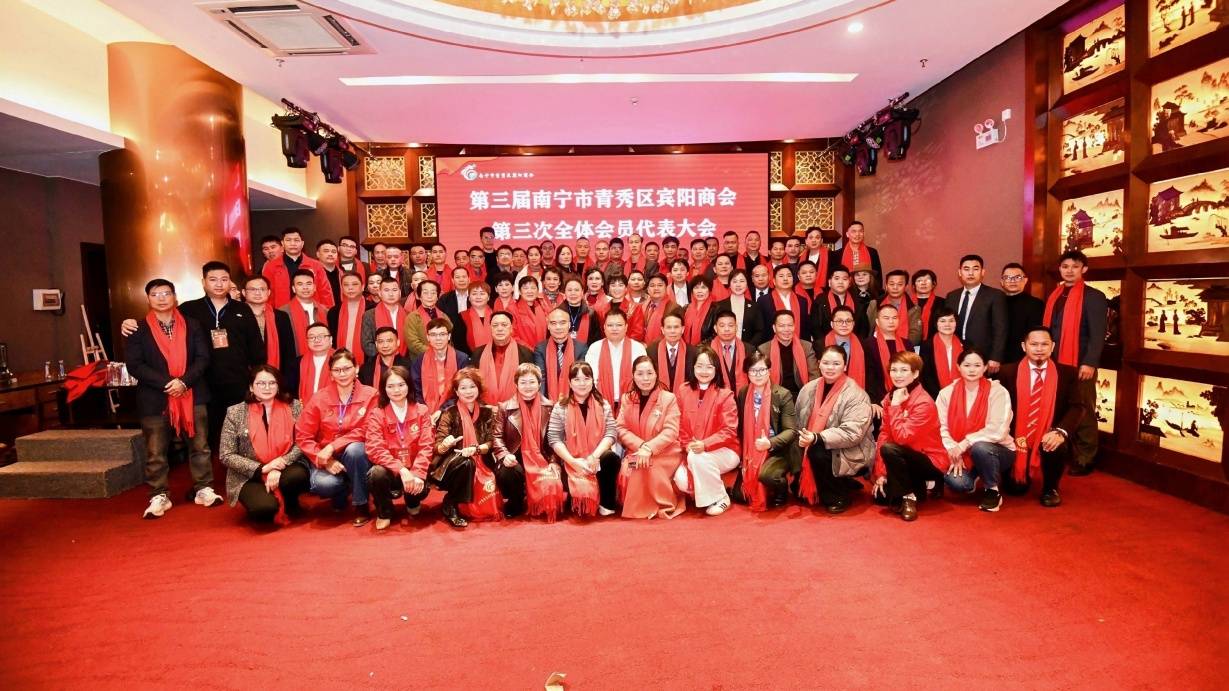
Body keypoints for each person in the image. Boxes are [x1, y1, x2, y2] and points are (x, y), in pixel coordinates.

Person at [122, 261, 263, 449]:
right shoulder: (189, 309)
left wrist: (257, 378)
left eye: (224, 279)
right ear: (203, 282)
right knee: (208, 438)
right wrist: (129, 322)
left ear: (230, 282)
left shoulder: (242, 309)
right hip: (200, 382)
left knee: (241, 434)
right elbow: (162, 319)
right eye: (213, 279)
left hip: (237, 381)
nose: (219, 284)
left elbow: (256, 347)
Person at [125, 278, 221, 519]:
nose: (161, 298)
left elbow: (203, 358)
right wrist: (168, 384)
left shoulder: (193, 325)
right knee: (156, 451)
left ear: (175, 297)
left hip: (192, 393)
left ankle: (203, 488)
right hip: (155, 398)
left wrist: (184, 382)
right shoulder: (138, 329)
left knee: (200, 446)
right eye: (155, 294)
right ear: (148, 299)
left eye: (166, 293)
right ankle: (159, 494)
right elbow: (135, 365)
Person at [998, 327, 1086, 507]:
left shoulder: (1067, 373)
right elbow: (998, 408)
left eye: (1045, 344)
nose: (1039, 349)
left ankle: (1050, 488)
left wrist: (1060, 431)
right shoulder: (1007, 372)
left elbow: (1077, 407)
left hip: (1048, 433)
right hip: (1016, 437)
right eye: (1034, 344)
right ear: (1024, 346)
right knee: (1015, 490)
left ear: (1052, 347)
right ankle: (1017, 472)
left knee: (1056, 443)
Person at [1042, 250, 1108, 475]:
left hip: (1080, 364)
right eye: (1065, 266)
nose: (1069, 271)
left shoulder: (1094, 296)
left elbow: (1098, 334)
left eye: (1075, 266)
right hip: (1056, 362)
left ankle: (1086, 457)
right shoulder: (1055, 295)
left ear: (1084, 269)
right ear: (1060, 269)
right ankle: (1065, 452)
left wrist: (1090, 362)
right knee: (1061, 408)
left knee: (1083, 409)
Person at [295, 349, 377, 526]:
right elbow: (303, 435)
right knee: (323, 485)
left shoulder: (371, 395)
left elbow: (367, 429)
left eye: (347, 368)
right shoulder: (319, 398)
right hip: (325, 456)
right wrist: (326, 460)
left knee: (356, 450)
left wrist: (333, 446)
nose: (342, 374)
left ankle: (361, 504)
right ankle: (346, 487)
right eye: (337, 370)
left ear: (356, 369)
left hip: (356, 454)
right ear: (331, 373)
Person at [219, 365, 309, 523]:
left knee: (296, 476)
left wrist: (281, 463)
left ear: (278, 386)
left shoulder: (294, 406)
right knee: (264, 509)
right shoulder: (235, 412)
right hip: (249, 475)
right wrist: (262, 469)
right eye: (261, 383)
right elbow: (226, 455)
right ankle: (270, 502)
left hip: (286, 467)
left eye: (272, 383)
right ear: (251, 387)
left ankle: (290, 500)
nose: (267, 387)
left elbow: (303, 440)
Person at [795, 345, 875, 513]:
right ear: (819, 364)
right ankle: (840, 482)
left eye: (836, 364)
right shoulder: (808, 388)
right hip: (814, 442)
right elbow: (798, 422)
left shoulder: (856, 394)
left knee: (817, 452)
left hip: (852, 448)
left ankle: (837, 496)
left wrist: (817, 437)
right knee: (796, 485)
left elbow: (852, 433)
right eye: (826, 363)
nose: (830, 368)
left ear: (845, 366)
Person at [935, 347, 1016, 512]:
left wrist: (963, 444)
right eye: (967, 365)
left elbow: (998, 430)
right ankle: (978, 472)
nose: (972, 370)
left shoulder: (998, 391)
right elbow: (940, 427)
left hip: (997, 450)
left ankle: (992, 490)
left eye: (977, 365)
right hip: (959, 451)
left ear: (985, 367)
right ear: (958, 367)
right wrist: (953, 450)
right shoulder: (946, 393)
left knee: (980, 448)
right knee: (958, 484)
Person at [871, 352, 949, 521]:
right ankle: (918, 488)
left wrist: (895, 406)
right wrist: (881, 473)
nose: (898, 375)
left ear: (915, 374)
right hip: (903, 456)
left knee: (890, 449)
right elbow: (884, 434)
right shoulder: (890, 397)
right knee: (881, 498)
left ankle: (909, 497)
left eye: (904, 370)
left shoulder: (924, 402)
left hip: (929, 458)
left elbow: (902, 438)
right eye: (894, 370)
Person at [364, 365, 434, 530]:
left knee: (420, 484)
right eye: (390, 386)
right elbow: (374, 449)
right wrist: (401, 469)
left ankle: (412, 501)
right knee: (376, 474)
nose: (396, 390)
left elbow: (427, 445)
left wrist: (417, 473)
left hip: (415, 467)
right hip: (391, 470)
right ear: (384, 389)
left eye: (401, 385)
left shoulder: (422, 411)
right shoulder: (377, 414)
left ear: (409, 385)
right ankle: (385, 511)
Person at [672, 346, 740, 516]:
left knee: (697, 457)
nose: (704, 371)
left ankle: (721, 498)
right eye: (699, 366)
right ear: (692, 367)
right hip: (692, 450)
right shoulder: (683, 390)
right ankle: (714, 488)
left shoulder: (725, 395)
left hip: (725, 450)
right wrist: (687, 444)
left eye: (709, 367)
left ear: (716, 370)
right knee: (681, 480)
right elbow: (677, 423)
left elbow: (729, 430)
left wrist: (705, 444)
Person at [616, 356, 685, 519]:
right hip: (637, 451)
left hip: (665, 453)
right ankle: (644, 505)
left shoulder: (668, 398)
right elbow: (620, 428)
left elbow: (671, 431)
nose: (645, 378)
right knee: (633, 465)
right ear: (633, 376)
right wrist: (642, 447)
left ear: (656, 374)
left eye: (649, 373)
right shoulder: (627, 398)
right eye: (640, 374)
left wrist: (649, 448)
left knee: (649, 465)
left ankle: (662, 504)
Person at [547, 362, 620, 517]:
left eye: (586, 379)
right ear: (570, 383)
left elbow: (611, 433)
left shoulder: (603, 404)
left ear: (593, 381)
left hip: (596, 460)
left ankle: (606, 502)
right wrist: (573, 462)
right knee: (580, 509)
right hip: (570, 461)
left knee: (611, 458)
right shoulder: (560, 407)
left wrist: (594, 456)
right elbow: (554, 438)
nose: (582, 383)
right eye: (577, 379)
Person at [493, 364, 564, 522]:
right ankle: (516, 501)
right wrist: (504, 455)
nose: (528, 386)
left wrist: (554, 461)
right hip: (515, 457)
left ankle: (540, 500)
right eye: (523, 382)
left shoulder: (550, 407)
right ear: (516, 384)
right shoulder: (505, 408)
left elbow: (556, 438)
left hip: (542, 458)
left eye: (532, 382)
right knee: (508, 472)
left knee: (552, 485)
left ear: (539, 384)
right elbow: (497, 437)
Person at [430, 368, 496, 527]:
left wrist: (476, 449)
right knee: (467, 462)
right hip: (452, 464)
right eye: (463, 388)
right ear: (456, 391)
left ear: (479, 389)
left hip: (482, 459)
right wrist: (446, 444)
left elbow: (491, 442)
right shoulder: (449, 413)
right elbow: (437, 447)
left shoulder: (487, 412)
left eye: (472, 386)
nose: (468, 391)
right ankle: (451, 504)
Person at [735, 349, 797, 510]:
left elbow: (791, 431)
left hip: (777, 450)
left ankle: (781, 490)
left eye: (762, 370)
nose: (758, 374)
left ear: (769, 371)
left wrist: (769, 443)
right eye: (753, 370)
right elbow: (741, 427)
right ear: (747, 373)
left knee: (767, 476)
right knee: (739, 496)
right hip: (751, 450)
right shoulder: (743, 393)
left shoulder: (782, 395)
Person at [945, 254, 1008, 373]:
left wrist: (996, 357)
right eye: (966, 269)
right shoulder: (952, 296)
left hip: (984, 355)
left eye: (975, 269)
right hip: (955, 353)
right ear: (959, 272)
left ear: (983, 272)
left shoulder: (995, 295)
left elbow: (1000, 328)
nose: (970, 273)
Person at [583, 310, 647, 413]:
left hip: (632, 403)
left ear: (626, 327)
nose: (614, 329)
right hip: (600, 403)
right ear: (604, 327)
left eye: (619, 325)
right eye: (610, 325)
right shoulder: (595, 348)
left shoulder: (637, 348)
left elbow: (642, 378)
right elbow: (590, 378)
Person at [244, 275, 299, 394]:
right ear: (244, 292)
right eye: (253, 289)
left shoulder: (281, 317)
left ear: (268, 292)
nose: (257, 293)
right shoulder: (236, 316)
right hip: (245, 377)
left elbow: (289, 351)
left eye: (262, 289)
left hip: (276, 374)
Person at [472, 311, 535, 405]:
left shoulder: (525, 354)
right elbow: (472, 385)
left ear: (511, 328)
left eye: (504, 325)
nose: (499, 329)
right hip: (485, 408)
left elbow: (530, 386)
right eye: (495, 325)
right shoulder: (478, 354)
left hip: (517, 408)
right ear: (490, 328)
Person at [262, 228, 334, 309]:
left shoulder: (316, 265)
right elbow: (267, 294)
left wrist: (328, 312)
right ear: (282, 243)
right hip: (283, 312)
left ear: (302, 243)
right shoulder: (271, 267)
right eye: (288, 240)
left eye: (296, 240)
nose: (292, 243)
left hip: (312, 312)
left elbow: (325, 292)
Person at [410, 318, 470, 414]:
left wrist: (442, 410)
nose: (438, 338)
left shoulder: (462, 359)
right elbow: (416, 390)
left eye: (442, 334)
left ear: (449, 336)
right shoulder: (419, 361)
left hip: (454, 409)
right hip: (425, 411)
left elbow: (464, 389)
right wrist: (423, 409)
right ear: (428, 337)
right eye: (433, 335)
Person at [863, 304, 913, 410]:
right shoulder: (868, 345)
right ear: (877, 321)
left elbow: (913, 373)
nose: (891, 321)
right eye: (886, 318)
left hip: (906, 397)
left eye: (894, 318)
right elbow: (869, 377)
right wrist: (874, 401)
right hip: (878, 400)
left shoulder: (907, 344)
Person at [757, 310, 818, 396]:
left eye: (790, 325)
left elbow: (814, 375)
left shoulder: (806, 346)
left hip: (801, 393)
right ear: (774, 328)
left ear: (794, 326)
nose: (786, 329)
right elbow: (762, 379)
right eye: (782, 326)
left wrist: (809, 395)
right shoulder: (764, 349)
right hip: (775, 395)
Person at [535, 308, 590, 400]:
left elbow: (581, 377)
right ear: (548, 326)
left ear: (569, 325)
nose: (558, 327)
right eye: (553, 323)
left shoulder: (581, 348)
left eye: (562, 323)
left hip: (574, 399)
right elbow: (541, 377)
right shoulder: (541, 348)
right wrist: (543, 400)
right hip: (549, 400)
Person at [1000, 262, 1045, 365]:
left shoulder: (1036, 304)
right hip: (998, 359)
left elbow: (1036, 334)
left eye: (1017, 277)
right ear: (1002, 282)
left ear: (1025, 280)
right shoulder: (996, 302)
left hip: (1024, 358)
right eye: (1007, 278)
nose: (1012, 281)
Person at [810, 265, 869, 341]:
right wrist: (824, 344)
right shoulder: (820, 301)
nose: (840, 282)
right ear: (829, 282)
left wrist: (858, 342)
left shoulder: (858, 300)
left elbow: (864, 327)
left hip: (854, 343)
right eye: (836, 278)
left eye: (845, 279)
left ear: (849, 282)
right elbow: (815, 328)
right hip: (826, 344)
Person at [280, 269, 326, 363]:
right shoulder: (282, 313)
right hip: (294, 362)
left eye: (309, 284)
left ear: (314, 287)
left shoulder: (325, 311)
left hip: (322, 360)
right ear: (293, 288)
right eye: (300, 284)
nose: (305, 287)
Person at [706, 269, 763, 345]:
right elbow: (714, 330)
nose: (738, 285)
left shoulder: (755, 306)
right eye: (734, 281)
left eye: (742, 281)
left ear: (747, 284)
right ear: (729, 284)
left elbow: (759, 331)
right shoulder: (719, 306)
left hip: (748, 348)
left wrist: (748, 347)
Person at [867, 270, 923, 344]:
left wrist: (903, 346)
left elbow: (915, 334)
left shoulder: (913, 308)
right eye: (891, 284)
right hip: (876, 345)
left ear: (906, 287)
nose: (895, 287)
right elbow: (868, 328)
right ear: (886, 286)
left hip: (904, 347)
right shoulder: (875, 304)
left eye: (899, 284)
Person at [756, 265, 809, 342]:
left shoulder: (802, 301)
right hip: (771, 344)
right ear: (774, 281)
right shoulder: (764, 301)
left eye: (789, 276)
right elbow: (761, 328)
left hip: (799, 344)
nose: (785, 279)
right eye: (781, 276)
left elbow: (805, 328)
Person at [360, 276, 407, 361]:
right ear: (380, 293)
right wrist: (386, 356)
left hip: (404, 361)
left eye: (394, 290)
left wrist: (401, 360)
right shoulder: (369, 315)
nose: (391, 294)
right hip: (378, 361)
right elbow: (367, 344)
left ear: (400, 293)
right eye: (386, 290)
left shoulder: (408, 314)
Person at [647, 310, 694, 392]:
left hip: (684, 396)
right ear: (662, 330)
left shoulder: (693, 352)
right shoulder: (651, 351)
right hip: (657, 396)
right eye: (668, 327)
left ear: (682, 329)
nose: (672, 331)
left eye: (676, 327)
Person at [919, 307, 962, 397]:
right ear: (936, 324)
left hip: (963, 394)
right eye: (942, 321)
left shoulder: (966, 345)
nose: (947, 324)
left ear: (956, 323)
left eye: (951, 321)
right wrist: (940, 397)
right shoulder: (927, 346)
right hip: (936, 396)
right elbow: (926, 376)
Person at [328, 271, 367, 365]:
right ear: (342, 288)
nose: (350, 288)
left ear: (362, 287)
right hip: (341, 361)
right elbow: (332, 341)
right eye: (346, 285)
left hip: (367, 361)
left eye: (354, 284)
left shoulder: (372, 309)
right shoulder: (334, 312)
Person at [822, 305, 867, 387]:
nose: (844, 324)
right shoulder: (819, 345)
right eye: (839, 321)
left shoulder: (864, 345)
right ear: (832, 324)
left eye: (848, 321)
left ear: (853, 324)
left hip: (856, 390)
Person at [708, 309, 751, 392]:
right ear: (715, 328)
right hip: (716, 395)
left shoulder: (749, 349)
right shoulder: (708, 350)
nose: (727, 329)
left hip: (743, 396)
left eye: (731, 325)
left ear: (736, 327)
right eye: (722, 326)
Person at [403, 279, 447, 357]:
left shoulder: (444, 316)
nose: (429, 296)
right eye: (425, 293)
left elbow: (449, 340)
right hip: (421, 359)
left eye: (433, 293)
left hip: (443, 357)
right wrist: (435, 353)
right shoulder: (412, 317)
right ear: (419, 296)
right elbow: (413, 343)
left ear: (437, 297)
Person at [298, 322, 334, 401]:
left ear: (331, 339)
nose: (316, 340)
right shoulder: (298, 362)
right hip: (305, 406)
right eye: (312, 337)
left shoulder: (341, 360)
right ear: (307, 341)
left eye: (321, 336)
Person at [513, 276, 549, 346]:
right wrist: (528, 349)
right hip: (523, 350)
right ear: (519, 291)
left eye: (533, 288)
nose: (530, 291)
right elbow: (513, 335)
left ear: (537, 291)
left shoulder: (542, 306)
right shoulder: (513, 309)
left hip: (543, 349)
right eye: (525, 288)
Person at [459, 281, 494, 354]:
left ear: (488, 297)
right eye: (474, 294)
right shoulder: (461, 316)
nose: (478, 297)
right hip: (470, 357)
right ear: (469, 298)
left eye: (482, 293)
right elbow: (459, 343)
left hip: (495, 356)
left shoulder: (496, 316)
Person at [911, 269, 945, 340]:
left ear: (934, 284)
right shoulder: (907, 302)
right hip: (909, 342)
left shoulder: (942, 302)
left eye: (927, 280)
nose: (923, 283)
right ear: (913, 285)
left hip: (934, 342)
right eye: (919, 280)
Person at [639, 274, 674, 344]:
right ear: (647, 289)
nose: (656, 288)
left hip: (661, 347)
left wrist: (651, 347)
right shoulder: (642, 306)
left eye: (660, 285)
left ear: (666, 288)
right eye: (652, 286)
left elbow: (672, 334)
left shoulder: (674, 308)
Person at [683, 276, 716, 343]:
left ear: (709, 290)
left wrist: (700, 347)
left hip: (706, 348)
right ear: (692, 291)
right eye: (696, 288)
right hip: (686, 347)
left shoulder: (716, 310)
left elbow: (716, 335)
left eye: (703, 287)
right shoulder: (686, 308)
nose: (699, 291)